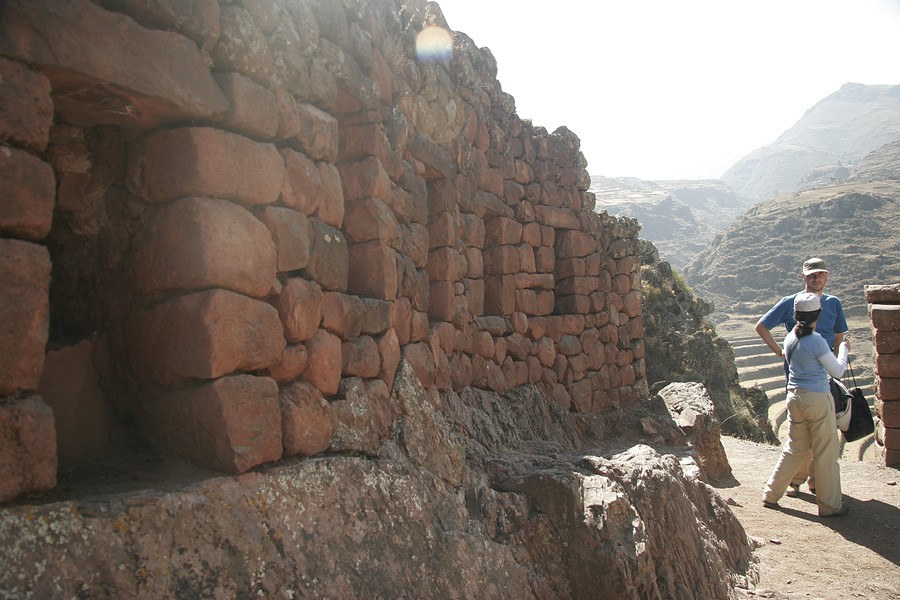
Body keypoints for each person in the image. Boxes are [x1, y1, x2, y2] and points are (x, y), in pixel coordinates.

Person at [755, 257, 848, 496]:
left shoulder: (834, 304)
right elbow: (761, 326)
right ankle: (803, 482)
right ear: (803, 277)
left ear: (826, 276)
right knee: (820, 438)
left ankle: (807, 483)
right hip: (810, 382)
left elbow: (836, 337)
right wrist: (779, 353)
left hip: (821, 381)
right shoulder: (791, 304)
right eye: (812, 275)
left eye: (821, 274)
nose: (817, 279)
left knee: (804, 437)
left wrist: (784, 350)